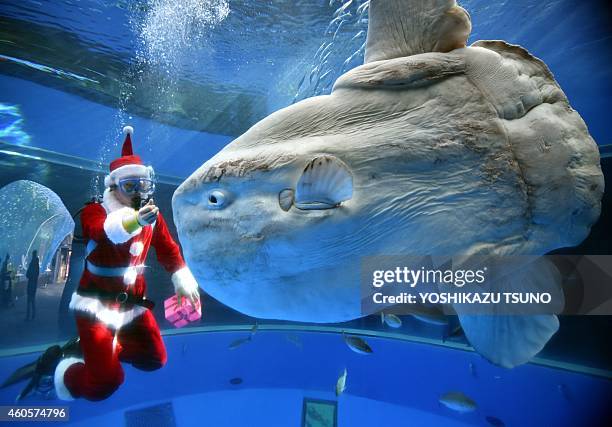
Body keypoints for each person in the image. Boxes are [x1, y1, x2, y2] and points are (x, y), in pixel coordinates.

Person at [4, 126, 201, 402]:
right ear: (113, 187)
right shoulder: (94, 210)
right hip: (95, 306)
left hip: (132, 305)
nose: (137, 193)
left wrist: (181, 278)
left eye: (142, 185)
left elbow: (168, 249)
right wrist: (136, 221)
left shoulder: (151, 217)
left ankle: (95, 351)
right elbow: (102, 232)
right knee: (106, 382)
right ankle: (59, 373)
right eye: (128, 186)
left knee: (154, 359)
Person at [26, 250, 40, 320]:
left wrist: (29, 276)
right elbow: (37, 274)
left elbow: (27, 274)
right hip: (34, 284)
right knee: (32, 300)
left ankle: (28, 316)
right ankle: (33, 315)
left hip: (31, 284)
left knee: (29, 300)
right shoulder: (36, 264)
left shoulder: (32, 263)